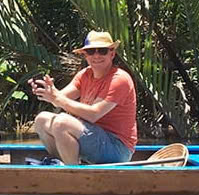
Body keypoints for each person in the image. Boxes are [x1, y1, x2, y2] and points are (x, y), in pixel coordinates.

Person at [29, 31, 137, 165]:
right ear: (86, 55)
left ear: (112, 54)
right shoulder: (85, 75)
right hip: (91, 137)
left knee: (62, 122)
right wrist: (46, 90)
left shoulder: (120, 79)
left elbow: (94, 114)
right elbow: (59, 99)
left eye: (102, 51)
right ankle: (62, 164)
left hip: (117, 148)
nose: (96, 55)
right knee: (41, 119)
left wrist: (57, 98)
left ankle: (73, 174)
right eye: (91, 51)